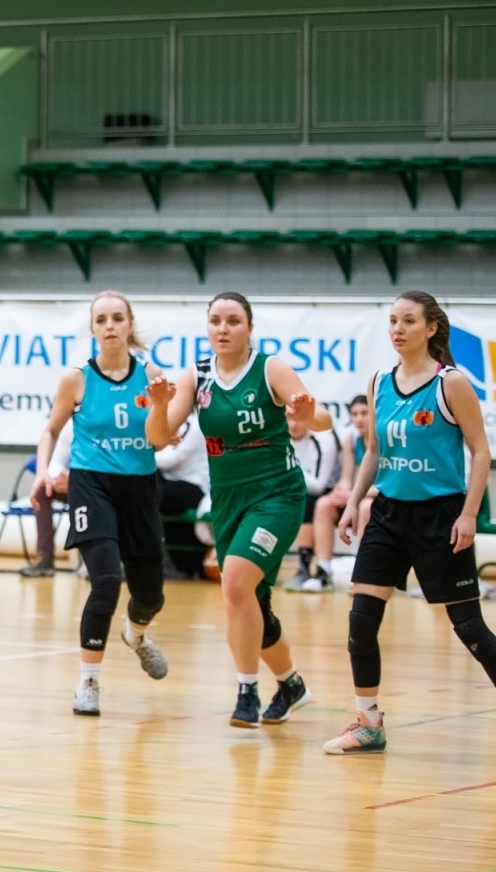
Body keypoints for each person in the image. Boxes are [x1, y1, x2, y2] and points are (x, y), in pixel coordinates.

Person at [324, 291, 496, 760]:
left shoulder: (452, 383)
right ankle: (369, 723)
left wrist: (469, 514)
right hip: (387, 515)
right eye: (392, 321)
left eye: (408, 321)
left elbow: (481, 451)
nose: (398, 329)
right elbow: (375, 452)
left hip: (441, 517)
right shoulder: (380, 381)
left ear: (430, 329)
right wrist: (354, 502)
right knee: (361, 621)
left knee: (468, 626)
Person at [146, 292, 327, 729]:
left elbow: (322, 420)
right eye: (215, 321)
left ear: (249, 328)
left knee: (234, 585)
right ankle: (291, 683)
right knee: (251, 603)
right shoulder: (198, 375)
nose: (223, 329)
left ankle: (247, 691)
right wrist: (157, 405)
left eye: (233, 321)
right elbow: (158, 437)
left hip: (277, 495)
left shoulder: (270, 368)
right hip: (228, 500)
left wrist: (306, 415)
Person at [31, 291, 169, 717]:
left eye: (117, 318)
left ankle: (137, 634)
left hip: (140, 485)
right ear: (92, 328)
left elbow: (160, 439)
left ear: (129, 325)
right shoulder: (76, 380)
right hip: (92, 485)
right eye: (102, 319)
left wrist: (162, 405)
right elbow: (51, 430)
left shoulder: (151, 375)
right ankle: (88, 681)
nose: (110, 326)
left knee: (150, 594)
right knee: (106, 580)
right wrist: (43, 470)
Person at [306, 394, 371, 592]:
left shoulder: (385, 437)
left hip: (378, 498)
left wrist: (353, 496)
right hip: (357, 496)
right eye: (354, 414)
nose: (358, 418)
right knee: (324, 504)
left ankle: (366, 573)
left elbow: (389, 483)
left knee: (366, 506)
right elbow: (346, 477)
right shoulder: (351, 438)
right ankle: (323, 571)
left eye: (364, 413)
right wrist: (341, 490)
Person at [283, 412, 341, 592]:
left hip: (328, 493)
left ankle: (305, 566)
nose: (293, 424)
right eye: (289, 418)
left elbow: (318, 485)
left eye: (299, 418)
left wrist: (288, 466)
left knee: (308, 501)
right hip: (290, 490)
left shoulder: (324, 439)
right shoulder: (277, 438)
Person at [156, 414, 211, 579]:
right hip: (169, 484)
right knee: (145, 485)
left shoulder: (194, 426)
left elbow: (171, 459)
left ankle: (152, 556)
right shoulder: (163, 423)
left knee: (146, 491)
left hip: (194, 487)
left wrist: (136, 454)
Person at [17, 423, 70, 578]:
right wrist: (56, 480)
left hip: (94, 484)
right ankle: (45, 557)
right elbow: (56, 463)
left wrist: (75, 479)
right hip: (71, 484)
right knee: (42, 490)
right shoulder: (68, 428)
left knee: (91, 492)